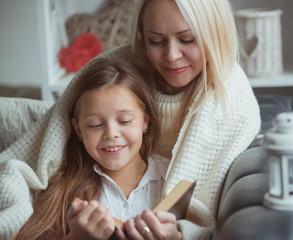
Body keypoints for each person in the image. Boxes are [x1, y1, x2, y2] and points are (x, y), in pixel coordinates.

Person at [0, 0, 261, 239]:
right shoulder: (108, 71)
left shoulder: (231, 102)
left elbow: (204, 213)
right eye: (156, 41)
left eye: (188, 39)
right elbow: (29, 160)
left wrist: (179, 235)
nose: (171, 55)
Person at [14, 57, 181, 240]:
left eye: (124, 121)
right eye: (94, 125)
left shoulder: (173, 176)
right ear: (78, 130)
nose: (111, 134)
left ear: (145, 122)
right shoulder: (63, 189)